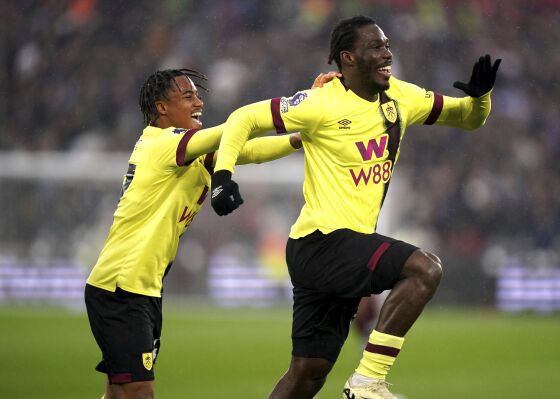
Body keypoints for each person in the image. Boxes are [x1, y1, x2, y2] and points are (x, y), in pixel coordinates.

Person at [209, 15, 500, 399]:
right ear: (347, 58)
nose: (387, 54)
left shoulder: (402, 96)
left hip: (333, 250)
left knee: (308, 374)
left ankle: (362, 381)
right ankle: (368, 381)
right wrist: (223, 175)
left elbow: (467, 119)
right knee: (425, 270)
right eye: (375, 47)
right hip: (322, 241)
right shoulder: (321, 103)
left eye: (387, 45)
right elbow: (244, 118)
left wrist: (480, 97)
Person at [84, 68, 339, 399]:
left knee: (119, 392)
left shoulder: (186, 150)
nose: (199, 102)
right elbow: (234, 129)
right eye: (188, 96)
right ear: (161, 107)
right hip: (121, 287)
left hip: (141, 288)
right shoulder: (162, 144)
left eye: (198, 95)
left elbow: (250, 150)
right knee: (139, 392)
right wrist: (305, 103)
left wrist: (302, 135)